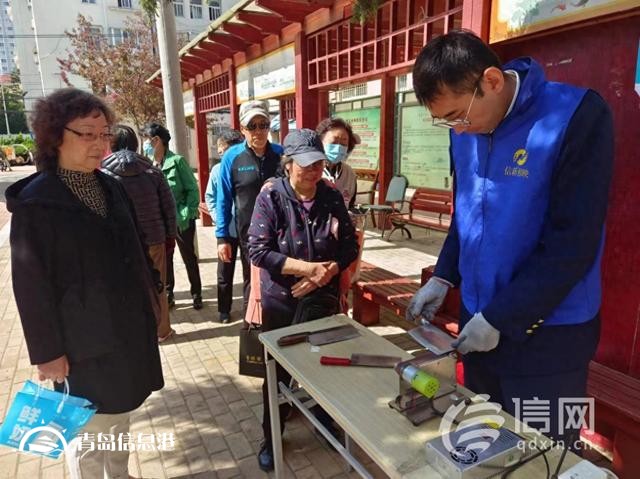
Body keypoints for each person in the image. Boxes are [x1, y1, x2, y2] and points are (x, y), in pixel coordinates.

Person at [406, 30, 613, 446]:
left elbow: (572, 242)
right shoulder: (464, 128)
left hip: (550, 338)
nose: (456, 130)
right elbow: (468, 212)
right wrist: (443, 276)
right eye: (444, 120)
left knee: (545, 453)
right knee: (487, 443)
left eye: (456, 116)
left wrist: (502, 317)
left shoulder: (577, 116)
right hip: (478, 330)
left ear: (493, 81)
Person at [5, 88, 164, 477]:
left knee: (121, 414)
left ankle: (120, 474)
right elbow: (30, 284)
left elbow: (138, 249)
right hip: (81, 344)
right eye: (88, 134)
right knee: (89, 431)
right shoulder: (38, 202)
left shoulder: (111, 186)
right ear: (56, 135)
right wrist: (47, 352)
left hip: (125, 331)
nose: (100, 143)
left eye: (105, 133)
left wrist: (154, 301)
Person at [248, 129, 360, 471]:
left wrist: (323, 274)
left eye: (318, 164)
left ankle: (324, 420)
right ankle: (273, 435)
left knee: (325, 364)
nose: (313, 171)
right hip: (282, 299)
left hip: (321, 298)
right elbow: (257, 250)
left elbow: (349, 246)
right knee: (277, 374)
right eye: (305, 164)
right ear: (288, 164)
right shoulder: (271, 195)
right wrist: (308, 269)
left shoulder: (330, 195)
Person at [102, 124, 178, 341]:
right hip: (155, 238)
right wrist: (170, 236)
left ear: (111, 143)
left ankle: (135, 333)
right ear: (136, 144)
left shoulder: (103, 175)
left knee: (126, 287)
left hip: (120, 243)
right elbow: (168, 207)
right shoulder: (152, 172)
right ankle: (162, 331)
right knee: (158, 286)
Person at [215, 100, 283, 315]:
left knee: (278, 280)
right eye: (252, 126)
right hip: (248, 235)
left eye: (263, 125)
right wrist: (222, 238)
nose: (258, 131)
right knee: (251, 282)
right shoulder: (232, 157)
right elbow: (223, 200)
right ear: (243, 129)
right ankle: (252, 329)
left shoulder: (281, 154)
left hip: (281, 232)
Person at [142, 122, 203, 310]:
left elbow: (193, 190)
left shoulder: (177, 162)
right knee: (166, 260)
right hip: (161, 223)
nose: (145, 144)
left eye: (147, 139)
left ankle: (196, 293)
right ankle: (169, 294)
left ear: (157, 140)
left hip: (181, 220)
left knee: (188, 258)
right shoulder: (148, 165)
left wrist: (185, 214)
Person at [205, 129, 244, 323]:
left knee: (251, 272)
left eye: (225, 150)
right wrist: (218, 217)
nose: (223, 155)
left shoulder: (248, 166)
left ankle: (251, 309)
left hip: (249, 230)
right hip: (227, 230)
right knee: (224, 273)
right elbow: (210, 196)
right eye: (221, 152)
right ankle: (224, 310)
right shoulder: (217, 170)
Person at [316, 117, 359, 209]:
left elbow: (350, 203)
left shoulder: (349, 173)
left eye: (343, 144)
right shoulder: (311, 169)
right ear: (320, 142)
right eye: (334, 142)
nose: (338, 147)